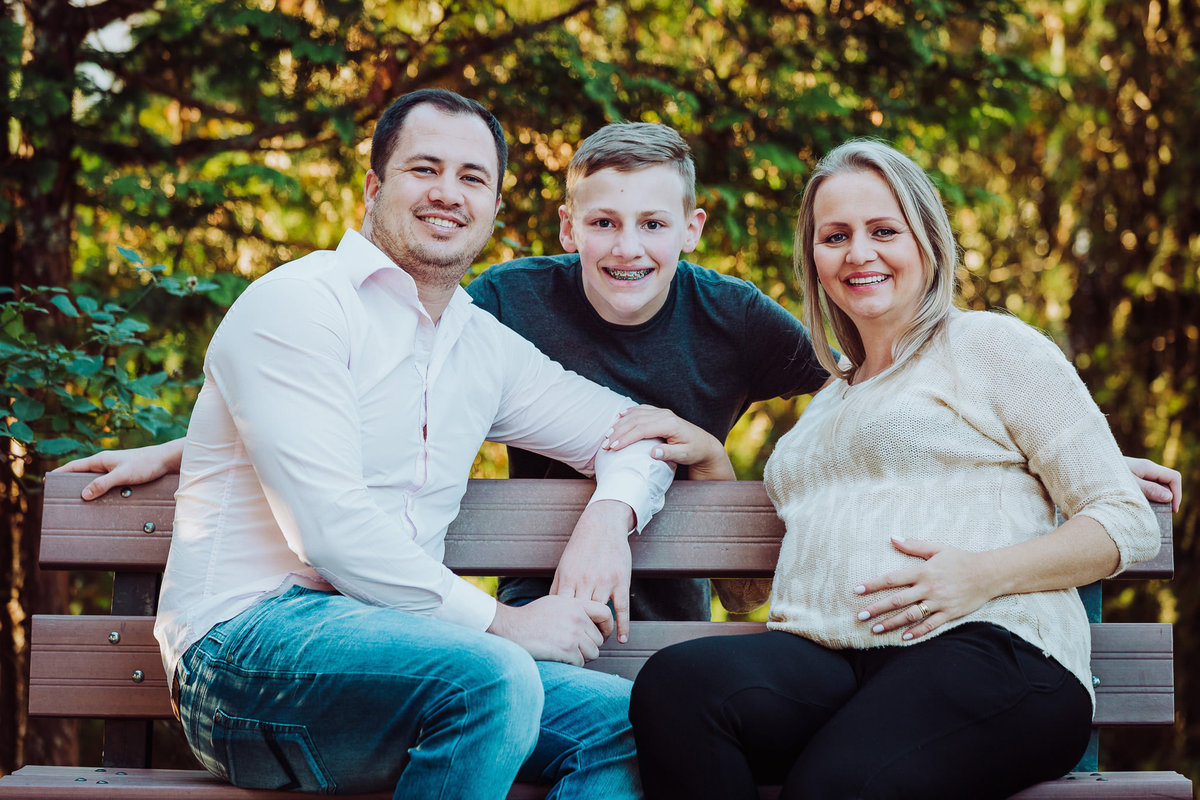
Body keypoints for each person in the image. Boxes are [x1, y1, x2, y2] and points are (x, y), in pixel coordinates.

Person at [64, 88, 679, 800]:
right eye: (425, 169)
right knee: (494, 675)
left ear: (495, 209)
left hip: (412, 659)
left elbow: (637, 435)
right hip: (242, 653)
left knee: (632, 723)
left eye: (473, 178)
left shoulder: (482, 348)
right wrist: (505, 622)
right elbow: (329, 529)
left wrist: (609, 517)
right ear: (373, 186)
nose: (449, 193)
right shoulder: (299, 305)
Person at [622, 140, 1164, 800]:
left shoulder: (989, 346)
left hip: (992, 652)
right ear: (814, 257)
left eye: (884, 231)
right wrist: (713, 464)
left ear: (928, 241)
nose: (859, 253)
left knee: (835, 787)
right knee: (677, 688)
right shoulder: (822, 411)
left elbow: (1126, 521)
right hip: (834, 662)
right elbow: (745, 596)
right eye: (836, 236)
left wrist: (978, 574)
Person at [467, 122, 828, 620]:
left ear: (691, 229)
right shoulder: (509, 300)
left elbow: (854, 386)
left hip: (676, 622)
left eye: (653, 225)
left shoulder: (734, 316)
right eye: (603, 223)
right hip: (542, 606)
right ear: (568, 228)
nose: (628, 247)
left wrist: (714, 461)